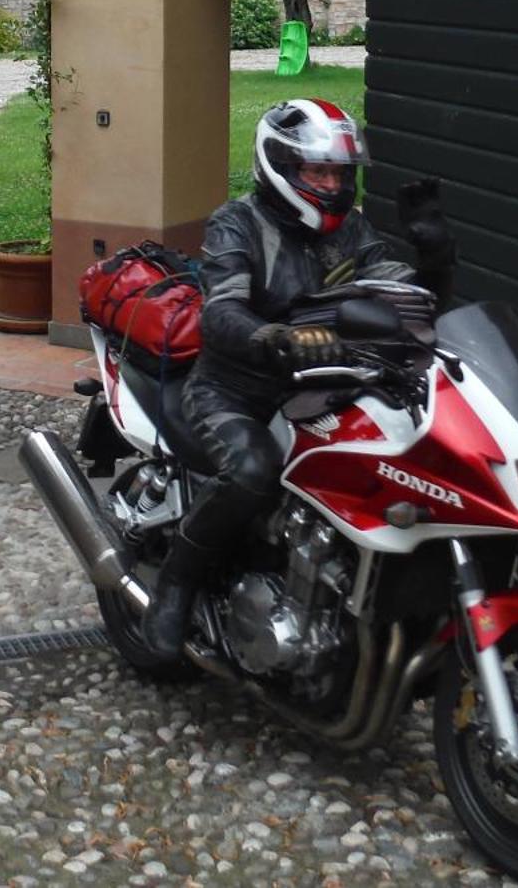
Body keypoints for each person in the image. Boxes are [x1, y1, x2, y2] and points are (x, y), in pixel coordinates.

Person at [142, 98, 457, 662]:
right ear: (280, 167)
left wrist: (435, 258)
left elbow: (403, 298)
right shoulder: (237, 223)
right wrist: (273, 337)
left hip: (326, 386)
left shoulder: (351, 230)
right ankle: (175, 584)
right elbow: (222, 309)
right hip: (236, 390)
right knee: (252, 471)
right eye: (318, 171)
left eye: (340, 173)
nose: (332, 185)